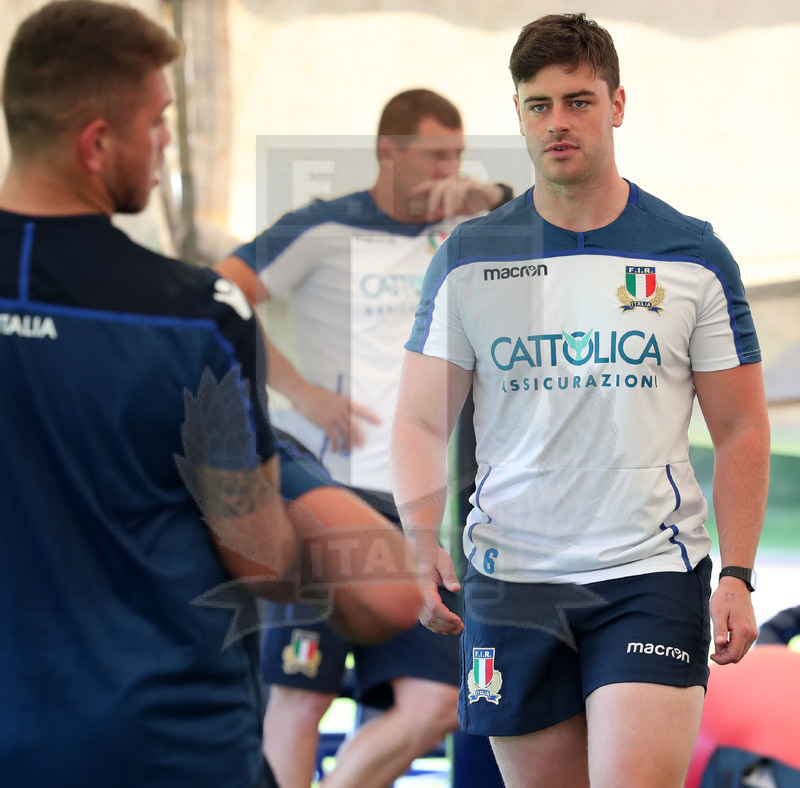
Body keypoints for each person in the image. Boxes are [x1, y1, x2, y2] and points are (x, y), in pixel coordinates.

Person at [0, 3, 421, 788]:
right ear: (96, 143)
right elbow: (261, 560)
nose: (166, 141)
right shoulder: (193, 316)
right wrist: (288, 473)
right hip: (163, 748)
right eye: (156, 120)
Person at [390, 12, 770, 788]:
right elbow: (421, 418)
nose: (558, 123)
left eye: (579, 101)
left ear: (617, 105)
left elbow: (741, 428)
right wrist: (419, 532)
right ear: (521, 116)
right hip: (510, 578)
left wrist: (737, 572)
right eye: (539, 105)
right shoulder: (469, 257)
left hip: (649, 573)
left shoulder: (691, 255)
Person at [216, 88, 512, 787]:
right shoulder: (325, 226)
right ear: (389, 151)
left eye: (458, 155)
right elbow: (220, 292)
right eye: (436, 154)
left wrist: (486, 190)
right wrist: (298, 389)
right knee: (301, 692)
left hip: (412, 511)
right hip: (324, 493)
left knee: (437, 701)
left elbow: (541, 202)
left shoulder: (461, 236)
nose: (450, 169)